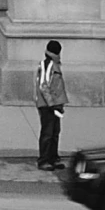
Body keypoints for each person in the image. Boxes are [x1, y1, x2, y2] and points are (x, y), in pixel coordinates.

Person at [34, 39, 68, 169]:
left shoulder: (54, 65)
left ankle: (53, 158)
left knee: (55, 132)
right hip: (48, 106)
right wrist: (52, 104)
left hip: (56, 105)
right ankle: (44, 160)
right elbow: (44, 86)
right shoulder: (47, 65)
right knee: (48, 133)